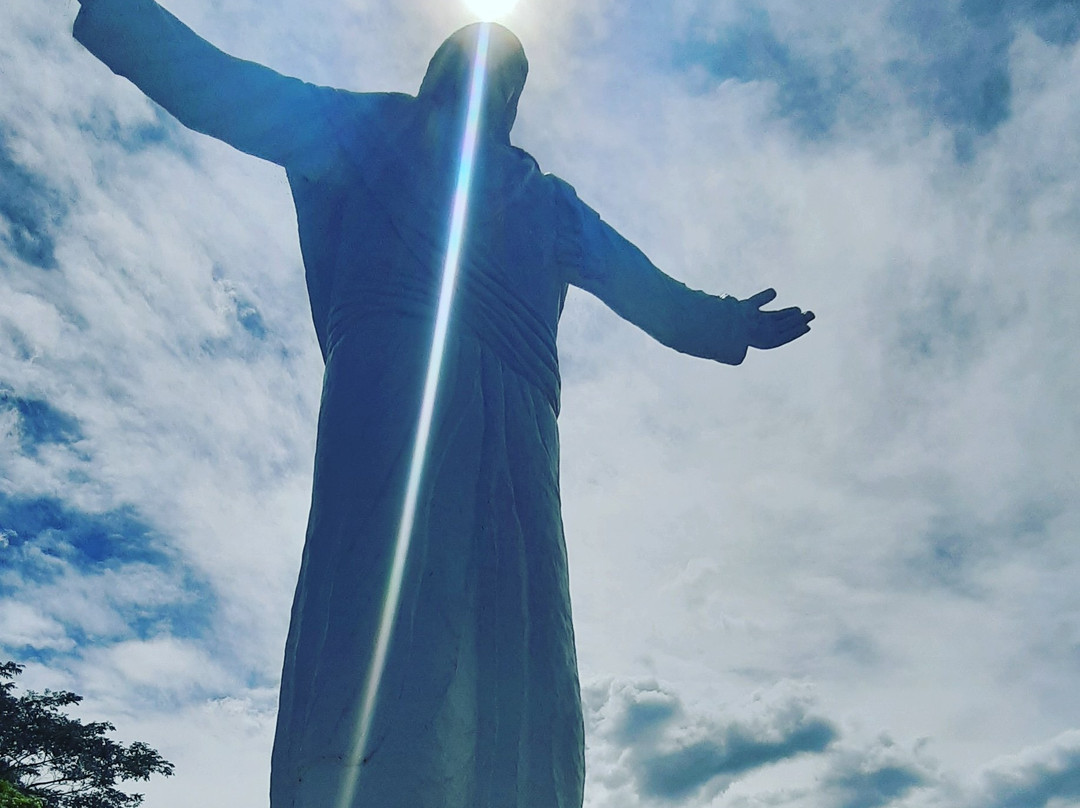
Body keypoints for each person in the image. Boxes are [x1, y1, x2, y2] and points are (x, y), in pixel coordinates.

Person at [72, 3, 815, 806]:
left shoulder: (544, 197)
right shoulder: (363, 131)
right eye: (484, 68)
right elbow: (222, 87)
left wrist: (726, 321)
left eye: (510, 78)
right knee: (382, 602)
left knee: (518, 640)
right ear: (442, 72)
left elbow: (644, 287)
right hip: (396, 386)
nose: (494, 88)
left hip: (521, 427)